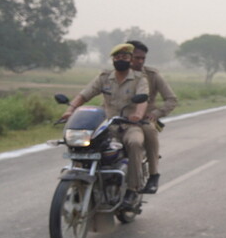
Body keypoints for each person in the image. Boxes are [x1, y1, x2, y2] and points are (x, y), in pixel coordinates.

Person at [60, 43, 149, 208]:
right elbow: (84, 94)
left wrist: (138, 115)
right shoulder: (104, 78)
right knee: (85, 147)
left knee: (135, 143)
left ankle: (132, 189)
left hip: (129, 125)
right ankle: (81, 182)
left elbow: (143, 100)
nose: (120, 60)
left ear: (130, 59)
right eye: (117, 57)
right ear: (113, 59)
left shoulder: (139, 79)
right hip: (106, 126)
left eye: (124, 57)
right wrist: (70, 110)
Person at [127, 39, 178, 194]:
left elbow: (171, 99)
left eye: (143, 58)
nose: (140, 61)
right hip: (118, 119)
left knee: (149, 131)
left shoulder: (152, 75)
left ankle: (153, 174)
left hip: (143, 119)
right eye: (136, 57)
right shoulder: (112, 75)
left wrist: (155, 114)